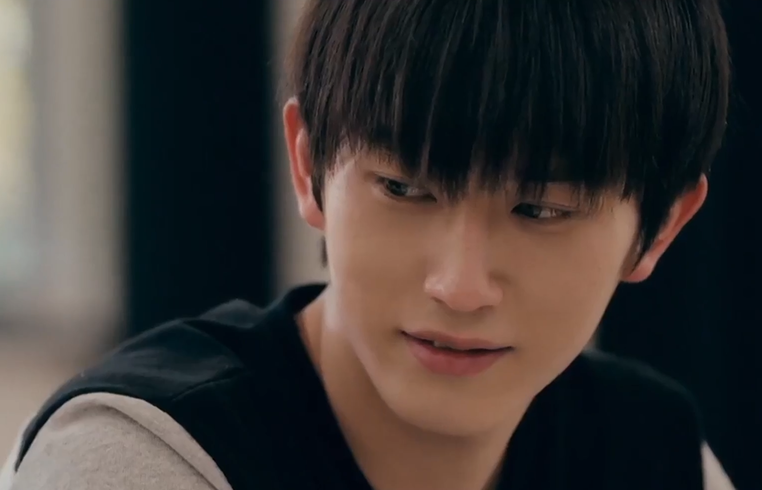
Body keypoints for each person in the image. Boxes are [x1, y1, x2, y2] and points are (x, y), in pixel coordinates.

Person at [2, 1, 737, 489]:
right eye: (404, 189)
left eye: (541, 210)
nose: (459, 286)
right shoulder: (144, 463)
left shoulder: (656, 457)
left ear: (661, 227)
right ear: (308, 164)